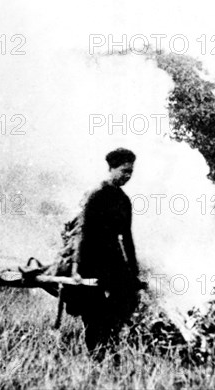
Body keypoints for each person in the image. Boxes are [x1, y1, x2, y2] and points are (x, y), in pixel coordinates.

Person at [71, 147, 143, 351]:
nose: (127, 176)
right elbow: (81, 232)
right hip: (89, 258)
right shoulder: (96, 195)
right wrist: (76, 267)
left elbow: (127, 238)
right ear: (111, 169)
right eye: (124, 171)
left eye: (131, 172)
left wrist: (133, 272)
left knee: (126, 298)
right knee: (93, 312)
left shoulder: (123, 201)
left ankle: (108, 341)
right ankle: (96, 352)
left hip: (112, 259)